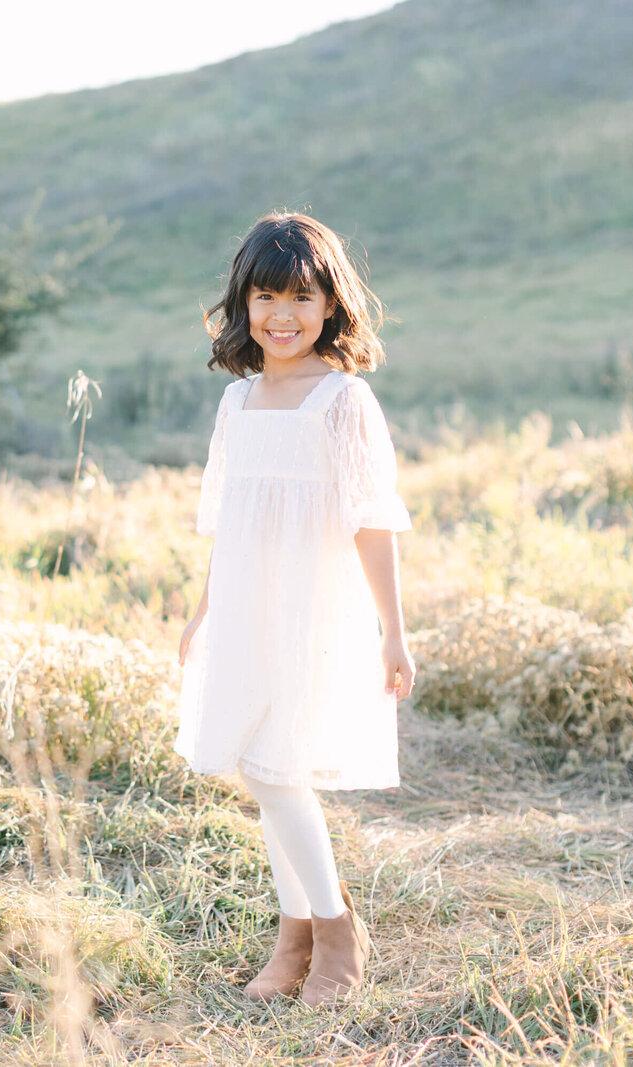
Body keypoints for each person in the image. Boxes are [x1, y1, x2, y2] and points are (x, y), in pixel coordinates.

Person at [176, 212, 415, 1008]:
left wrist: (393, 632)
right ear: (243, 303)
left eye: (301, 297)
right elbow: (229, 522)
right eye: (266, 296)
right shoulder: (238, 402)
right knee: (258, 764)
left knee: (278, 768)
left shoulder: (343, 400)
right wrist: (203, 612)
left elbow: (372, 520)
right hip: (245, 607)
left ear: (331, 305)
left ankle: (337, 931)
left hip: (312, 607)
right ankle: (296, 933)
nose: (283, 315)